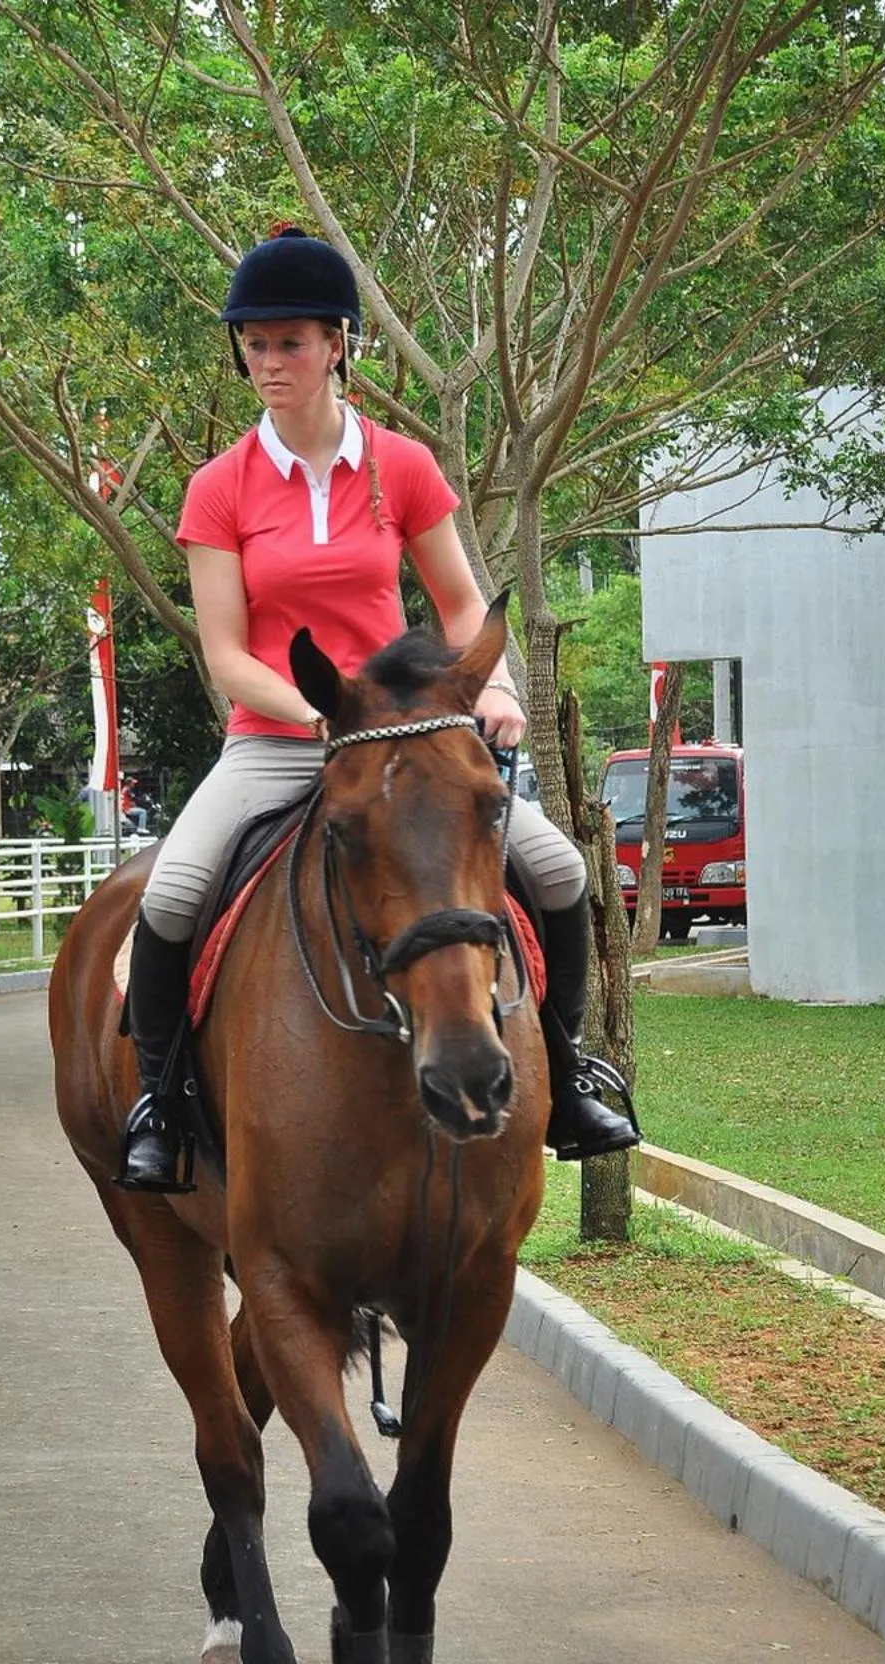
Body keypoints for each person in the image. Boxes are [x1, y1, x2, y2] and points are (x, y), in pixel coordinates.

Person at [119, 226, 637, 1192]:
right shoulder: (218, 487)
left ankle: (566, 1078)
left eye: (291, 343)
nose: (269, 363)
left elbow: (462, 605)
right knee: (175, 892)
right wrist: (319, 718)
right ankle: (160, 1104)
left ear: (339, 344)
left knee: (558, 870)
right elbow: (227, 653)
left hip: (410, 739)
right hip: (283, 739)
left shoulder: (401, 465)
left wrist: (497, 687)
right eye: (255, 343)